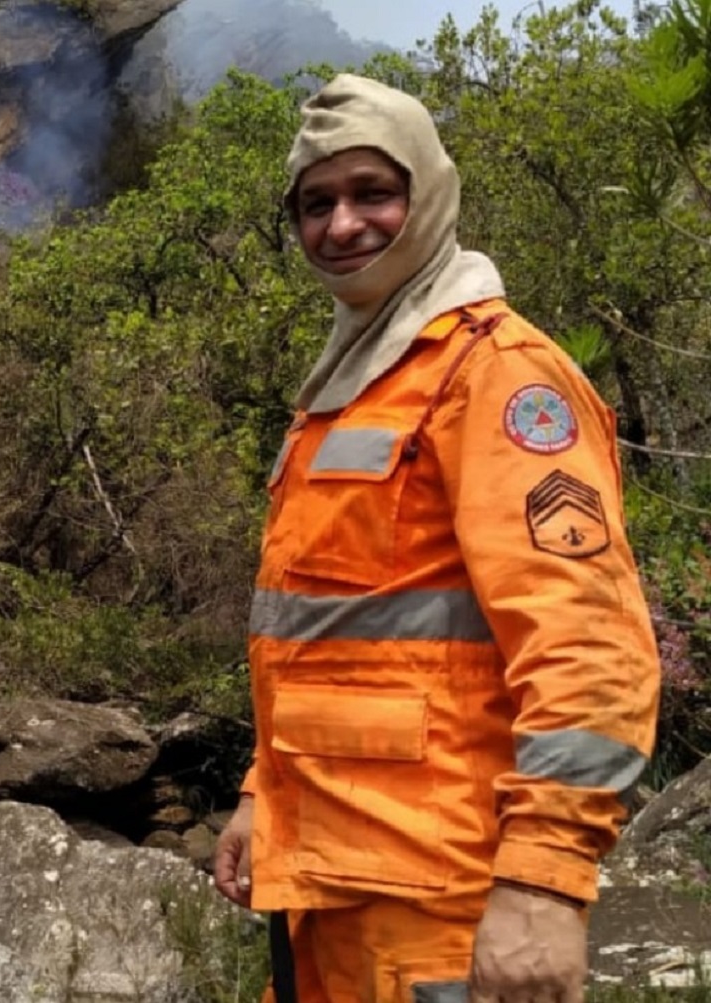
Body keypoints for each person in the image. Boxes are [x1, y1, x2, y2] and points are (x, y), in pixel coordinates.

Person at [212, 74, 660, 1003]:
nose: (342, 225)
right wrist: (263, 791)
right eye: (316, 203)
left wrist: (544, 883)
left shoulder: (497, 375)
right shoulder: (352, 385)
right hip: (327, 889)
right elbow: (330, 641)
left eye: (373, 192)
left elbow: (588, 645)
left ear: (428, 194)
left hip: (447, 904)